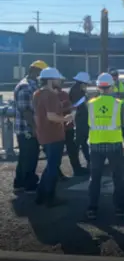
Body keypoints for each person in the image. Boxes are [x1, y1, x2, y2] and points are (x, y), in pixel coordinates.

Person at [86, 73, 124, 219]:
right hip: (114, 144)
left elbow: (88, 122)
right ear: (111, 87)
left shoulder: (91, 103)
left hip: (96, 144)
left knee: (95, 177)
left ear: (98, 87)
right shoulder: (118, 103)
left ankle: (92, 207)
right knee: (117, 177)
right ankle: (119, 207)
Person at [33, 67, 73, 207]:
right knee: (53, 167)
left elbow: (44, 114)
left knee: (50, 166)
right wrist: (66, 118)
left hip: (43, 134)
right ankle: (50, 198)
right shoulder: (50, 95)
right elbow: (51, 116)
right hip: (54, 135)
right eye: (57, 79)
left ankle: (40, 195)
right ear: (51, 80)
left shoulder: (37, 94)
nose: (59, 81)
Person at [13, 60, 47, 194]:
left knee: (26, 156)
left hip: (27, 128)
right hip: (26, 129)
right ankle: (28, 184)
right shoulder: (26, 87)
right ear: (34, 71)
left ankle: (20, 182)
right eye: (41, 73)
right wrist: (34, 127)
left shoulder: (32, 85)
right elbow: (25, 110)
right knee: (29, 156)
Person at [56, 79, 88, 177]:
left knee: (72, 150)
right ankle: (57, 174)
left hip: (67, 127)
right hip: (60, 127)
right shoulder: (54, 96)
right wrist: (70, 108)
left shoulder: (65, 94)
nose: (61, 82)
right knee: (59, 152)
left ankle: (76, 169)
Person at [69, 72, 91, 168]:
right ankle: (77, 164)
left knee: (83, 142)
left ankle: (88, 161)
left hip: (82, 119)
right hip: (81, 120)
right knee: (79, 142)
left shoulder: (77, 89)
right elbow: (75, 105)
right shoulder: (76, 90)